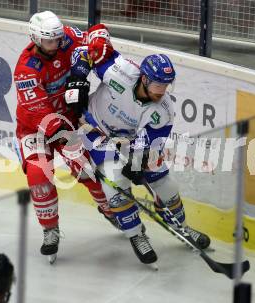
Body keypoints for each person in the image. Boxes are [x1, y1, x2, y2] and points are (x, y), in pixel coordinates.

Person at [70, 45, 211, 264]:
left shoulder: (163, 110)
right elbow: (87, 52)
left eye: (166, 85)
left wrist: (138, 162)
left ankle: (181, 228)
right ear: (144, 79)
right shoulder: (119, 71)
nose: (161, 91)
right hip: (94, 129)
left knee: (165, 184)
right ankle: (136, 235)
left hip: (130, 139)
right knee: (115, 183)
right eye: (157, 84)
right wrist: (78, 76)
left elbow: (153, 145)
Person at [13, 11, 114, 263]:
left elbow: (94, 38)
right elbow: (37, 110)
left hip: (66, 121)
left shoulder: (65, 37)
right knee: (38, 176)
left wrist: (99, 39)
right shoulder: (25, 69)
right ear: (36, 39)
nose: (56, 44)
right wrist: (61, 128)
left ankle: (111, 209)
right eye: (50, 41)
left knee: (87, 170)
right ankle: (50, 230)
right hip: (35, 127)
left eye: (58, 39)